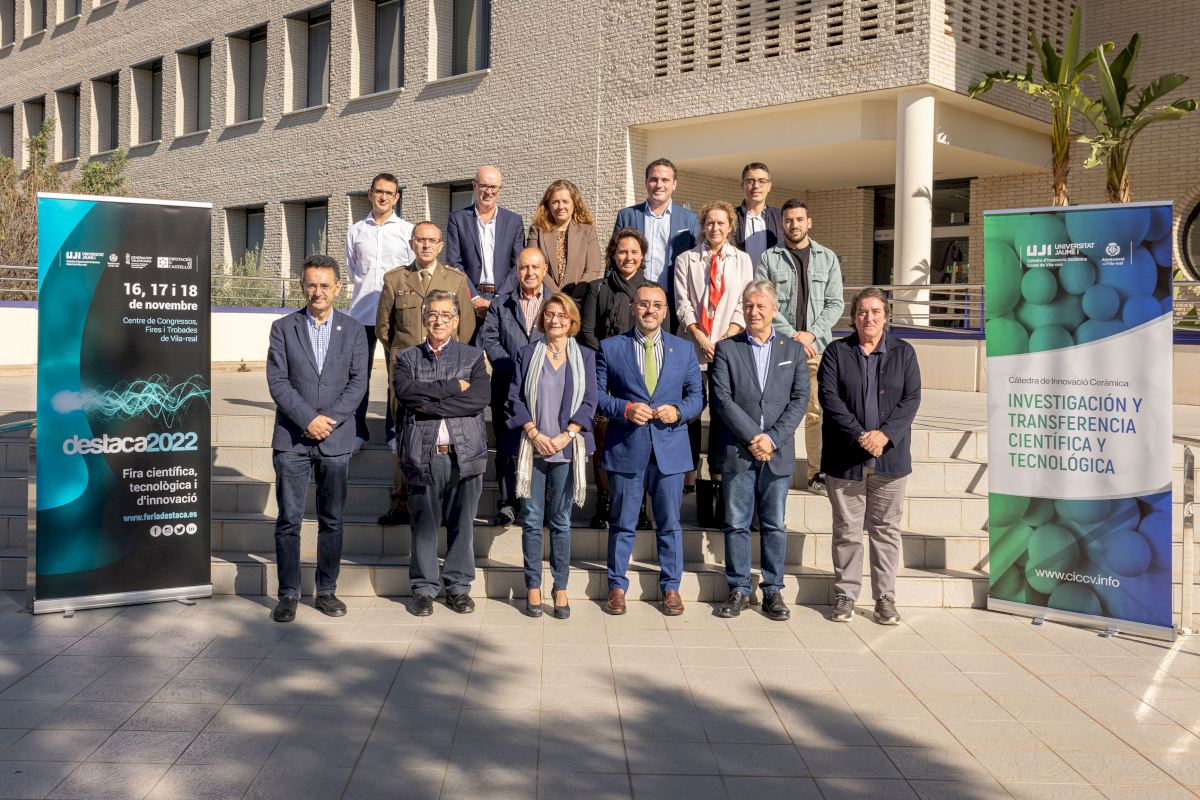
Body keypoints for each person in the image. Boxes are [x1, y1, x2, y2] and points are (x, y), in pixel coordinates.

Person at [266, 255, 368, 623]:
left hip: (336, 440)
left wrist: (330, 421)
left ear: (338, 288)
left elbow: (358, 383)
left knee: (332, 520)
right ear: (302, 286)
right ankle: (288, 594)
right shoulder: (283, 328)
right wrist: (308, 419)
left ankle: (326, 591)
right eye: (311, 284)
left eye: (325, 285)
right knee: (289, 521)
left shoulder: (354, 330)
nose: (318, 291)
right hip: (292, 439)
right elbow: (278, 380)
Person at [597, 284, 704, 616]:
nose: (650, 310)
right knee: (622, 522)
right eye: (644, 304)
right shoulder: (610, 347)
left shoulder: (683, 349)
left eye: (657, 305)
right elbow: (597, 396)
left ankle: (671, 587)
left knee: (670, 523)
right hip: (627, 447)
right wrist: (625, 409)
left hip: (669, 450)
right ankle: (617, 587)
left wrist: (679, 411)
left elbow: (697, 397)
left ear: (665, 310)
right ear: (633, 308)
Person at [818, 287, 921, 626]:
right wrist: (861, 435)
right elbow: (829, 398)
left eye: (876, 311)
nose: (869, 318)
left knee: (886, 530)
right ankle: (845, 595)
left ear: (886, 316)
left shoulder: (904, 353)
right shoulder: (836, 352)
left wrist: (884, 435)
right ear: (853, 317)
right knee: (847, 530)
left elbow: (911, 399)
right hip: (845, 457)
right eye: (862, 311)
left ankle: (885, 598)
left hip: (890, 460)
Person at [708, 281, 809, 621]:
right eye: (749, 305)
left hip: (776, 452)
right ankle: (738, 588)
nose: (754, 311)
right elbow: (721, 399)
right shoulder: (727, 349)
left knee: (774, 524)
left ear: (774, 310)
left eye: (761, 305)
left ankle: (773, 590)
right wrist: (755, 437)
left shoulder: (792, 350)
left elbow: (800, 400)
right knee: (736, 522)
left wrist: (772, 439)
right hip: (739, 450)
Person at [393, 289, 491, 616]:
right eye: (433, 314)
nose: (439, 321)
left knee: (463, 523)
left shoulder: (472, 357)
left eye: (446, 315)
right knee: (424, 524)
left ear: (457, 320)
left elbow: (478, 399)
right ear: (424, 319)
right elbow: (406, 393)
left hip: (465, 453)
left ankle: (458, 587)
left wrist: (430, 405)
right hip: (424, 453)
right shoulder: (407, 358)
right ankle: (424, 588)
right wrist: (451, 389)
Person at [375, 221, 474, 526]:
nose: (426, 245)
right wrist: (405, 358)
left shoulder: (455, 279)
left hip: (444, 371)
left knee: (445, 435)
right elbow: (384, 329)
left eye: (432, 240)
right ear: (412, 243)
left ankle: (441, 505)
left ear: (441, 246)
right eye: (421, 240)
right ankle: (401, 502)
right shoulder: (395, 280)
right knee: (405, 435)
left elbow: (466, 326)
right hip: (408, 373)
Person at [507, 294, 597, 619]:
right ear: (542, 319)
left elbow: (590, 400)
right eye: (549, 314)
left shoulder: (584, 356)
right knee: (532, 520)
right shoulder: (527, 353)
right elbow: (514, 398)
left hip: (566, 449)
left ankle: (560, 587)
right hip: (533, 447)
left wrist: (566, 435)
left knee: (561, 521)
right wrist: (534, 434)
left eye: (561, 315)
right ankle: (533, 585)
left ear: (572, 320)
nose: (555, 320)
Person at [755, 199, 845, 497]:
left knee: (816, 412)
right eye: (789, 220)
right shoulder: (769, 258)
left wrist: (810, 335)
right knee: (775, 410)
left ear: (809, 222)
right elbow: (764, 303)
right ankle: (772, 469)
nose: (794, 225)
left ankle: (816, 473)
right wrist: (794, 335)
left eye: (799, 219)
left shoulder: (827, 258)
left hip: (816, 350)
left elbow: (835, 304)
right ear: (782, 224)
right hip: (779, 349)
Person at [673, 200, 753, 515]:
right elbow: (682, 303)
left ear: (730, 226)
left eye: (721, 223)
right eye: (710, 223)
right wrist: (701, 337)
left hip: (727, 347)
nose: (715, 228)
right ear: (702, 226)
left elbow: (743, 304)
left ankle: (718, 476)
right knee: (691, 412)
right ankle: (689, 472)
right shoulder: (686, 259)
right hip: (692, 345)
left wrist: (723, 340)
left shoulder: (742, 260)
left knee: (722, 414)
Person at [579, 228, 651, 528]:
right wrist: (613, 359)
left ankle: (639, 508)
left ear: (642, 256)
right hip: (604, 373)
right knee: (603, 440)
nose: (628, 257)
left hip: (642, 375)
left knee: (640, 442)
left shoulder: (651, 291)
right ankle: (605, 502)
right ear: (613, 254)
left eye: (634, 252)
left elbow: (658, 332)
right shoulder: (597, 288)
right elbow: (587, 332)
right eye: (622, 251)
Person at [478, 248, 551, 526]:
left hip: (546, 388)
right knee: (507, 447)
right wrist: (513, 369)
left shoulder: (556, 303)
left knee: (541, 444)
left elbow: (564, 340)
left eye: (535, 267)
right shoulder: (501, 303)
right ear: (517, 271)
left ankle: (539, 504)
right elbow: (490, 339)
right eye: (524, 267)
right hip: (506, 385)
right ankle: (508, 502)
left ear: (544, 270)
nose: (530, 273)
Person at [344, 172, 414, 442]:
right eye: (379, 191)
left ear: (396, 198)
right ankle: (357, 432)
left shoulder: (407, 231)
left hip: (395, 316)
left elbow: (410, 274)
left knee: (395, 375)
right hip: (361, 315)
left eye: (389, 193)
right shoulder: (355, 231)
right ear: (370, 194)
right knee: (357, 376)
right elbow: (353, 272)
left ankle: (393, 432)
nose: (383, 197)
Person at [445, 165, 526, 324]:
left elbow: (518, 264)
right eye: (484, 186)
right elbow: (454, 262)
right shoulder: (458, 219)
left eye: (493, 187)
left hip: (504, 299)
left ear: (499, 189)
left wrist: (498, 299)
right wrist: (474, 297)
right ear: (474, 185)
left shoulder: (514, 221)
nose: (489, 192)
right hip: (468, 298)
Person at [611, 158, 700, 297]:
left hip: (674, 297)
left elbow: (697, 261)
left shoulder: (690, 219)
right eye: (654, 179)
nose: (659, 185)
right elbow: (613, 255)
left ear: (674, 184)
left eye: (665, 180)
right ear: (646, 182)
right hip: (632, 296)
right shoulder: (627, 215)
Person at [527, 179, 602, 305]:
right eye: (555, 202)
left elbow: (593, 270)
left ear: (574, 204)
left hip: (578, 302)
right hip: (545, 300)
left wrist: (572, 298)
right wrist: (557, 296)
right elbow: (533, 266)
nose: (560, 207)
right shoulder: (537, 230)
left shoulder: (588, 232)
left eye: (565, 201)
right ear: (548, 205)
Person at [733, 162, 782, 266]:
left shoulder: (781, 217)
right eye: (750, 181)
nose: (756, 186)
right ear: (742, 185)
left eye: (762, 181)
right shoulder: (730, 217)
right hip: (739, 276)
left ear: (769, 186)